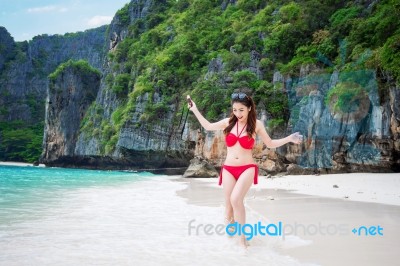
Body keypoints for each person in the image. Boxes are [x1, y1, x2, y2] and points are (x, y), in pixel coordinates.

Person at [187, 88, 302, 248]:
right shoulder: (227, 122)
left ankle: (242, 240)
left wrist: (289, 138)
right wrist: (195, 109)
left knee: (236, 199)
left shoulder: (256, 125)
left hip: (247, 168)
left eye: (241, 110)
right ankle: (229, 242)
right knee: (228, 210)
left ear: (249, 108)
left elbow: (270, 143)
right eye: (235, 110)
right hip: (228, 168)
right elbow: (207, 126)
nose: (238, 113)